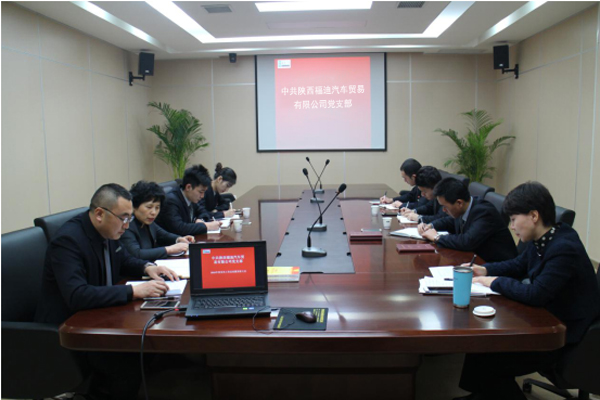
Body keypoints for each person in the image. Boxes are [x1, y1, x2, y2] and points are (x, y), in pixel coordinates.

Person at [453, 181, 600, 400]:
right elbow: (518, 265)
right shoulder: (544, 238)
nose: (512, 226)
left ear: (533, 216)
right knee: (482, 345)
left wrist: (494, 281)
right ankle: (483, 394)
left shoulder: (564, 248)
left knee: (493, 358)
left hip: (565, 334)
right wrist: (485, 269)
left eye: (513, 219)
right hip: (548, 316)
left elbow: (536, 294)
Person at [35, 183, 178, 400]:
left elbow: (123, 259)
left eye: (130, 218)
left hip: (99, 316)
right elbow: (77, 295)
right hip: (69, 328)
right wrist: (133, 291)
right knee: (130, 360)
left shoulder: (107, 231)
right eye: (124, 218)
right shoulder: (68, 241)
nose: (127, 225)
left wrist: (147, 267)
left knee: (148, 348)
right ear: (100, 214)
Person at [419, 177, 517, 262]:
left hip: (497, 266)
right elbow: (450, 221)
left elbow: (467, 241)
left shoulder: (484, 212)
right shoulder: (465, 206)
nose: (443, 210)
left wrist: (437, 237)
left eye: (445, 207)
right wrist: (431, 225)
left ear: (459, 203)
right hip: (475, 259)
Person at [120, 181, 195, 261]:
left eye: (157, 207)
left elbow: (162, 234)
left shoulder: (147, 220)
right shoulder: (127, 225)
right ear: (134, 207)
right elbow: (137, 254)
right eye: (149, 207)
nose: (154, 212)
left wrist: (179, 239)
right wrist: (169, 249)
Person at [157, 164, 222, 236]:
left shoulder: (190, 197)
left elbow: (203, 211)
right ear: (188, 187)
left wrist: (200, 220)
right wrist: (207, 226)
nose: (202, 196)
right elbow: (179, 228)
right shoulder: (171, 200)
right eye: (201, 192)